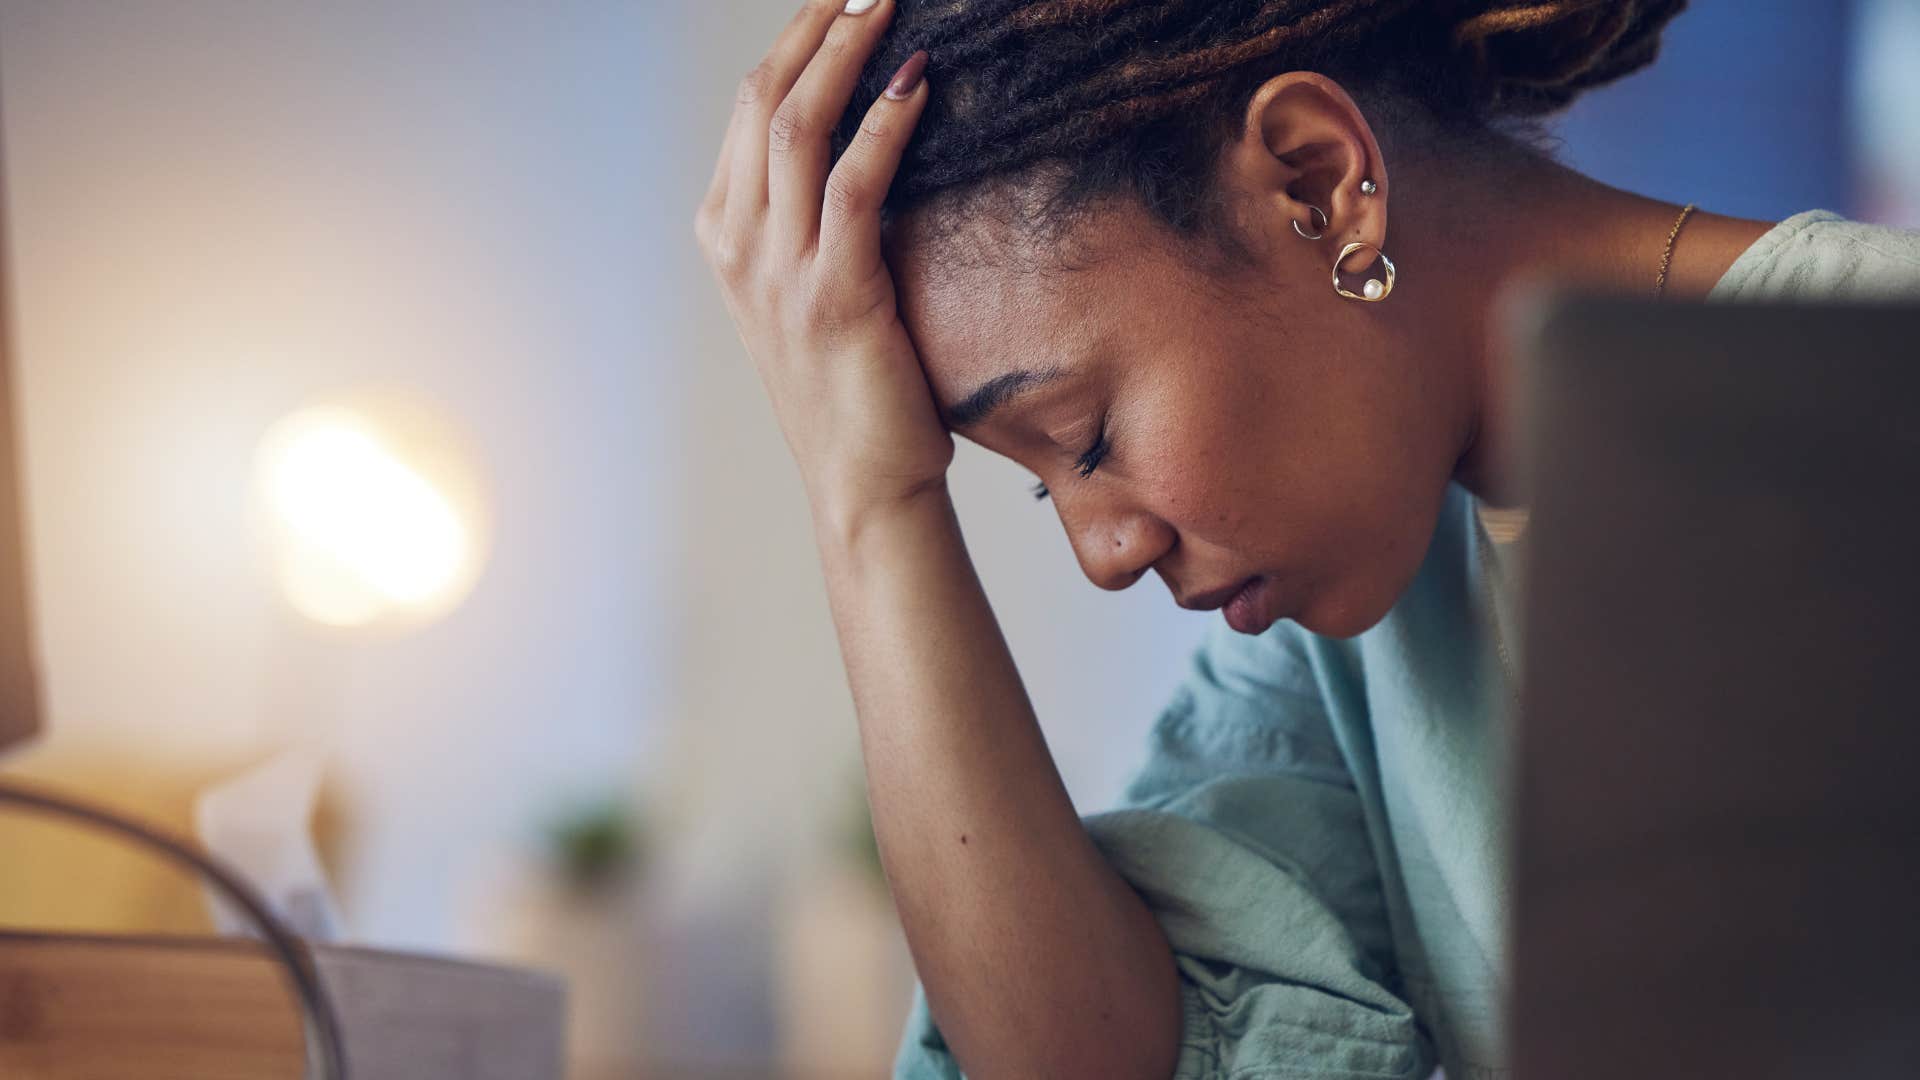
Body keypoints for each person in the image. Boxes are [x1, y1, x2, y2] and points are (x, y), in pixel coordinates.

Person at [692, 1, 1920, 1076]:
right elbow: (1100, 1056)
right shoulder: (1352, 630)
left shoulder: (1878, 394)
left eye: (1086, 437)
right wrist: (871, 500)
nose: (1103, 554)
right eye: (1035, 487)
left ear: (1318, 183)